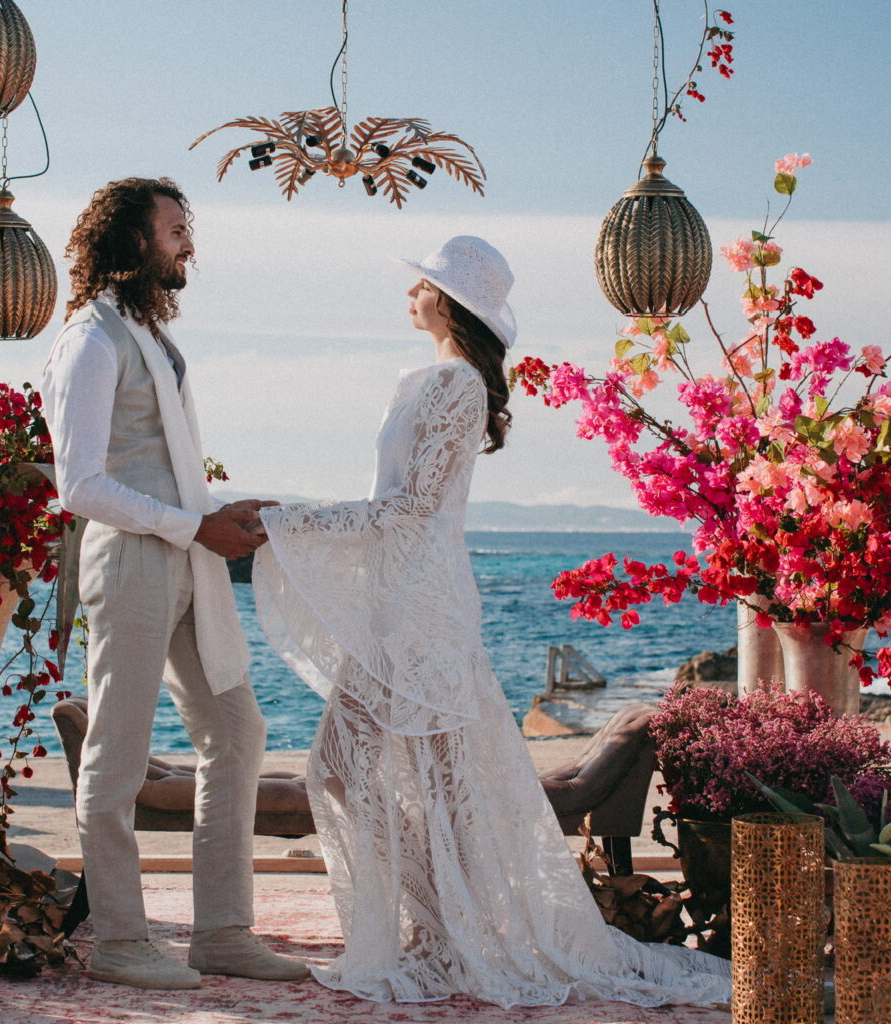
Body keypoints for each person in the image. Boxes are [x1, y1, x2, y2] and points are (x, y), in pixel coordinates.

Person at [252, 236, 731, 1008]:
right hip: (400, 604)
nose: (410, 293)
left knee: (418, 782)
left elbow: (409, 509)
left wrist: (284, 521)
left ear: (446, 300)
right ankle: (452, 923)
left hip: (420, 611)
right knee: (367, 774)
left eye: (422, 284)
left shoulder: (456, 383)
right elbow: (401, 508)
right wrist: (290, 523)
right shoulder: (434, 379)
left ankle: (460, 929)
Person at [42, 177, 308, 990]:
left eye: (187, 227)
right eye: (174, 229)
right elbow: (80, 485)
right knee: (116, 759)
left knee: (237, 734)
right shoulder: (90, 341)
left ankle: (222, 932)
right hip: (131, 563)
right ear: (130, 242)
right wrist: (196, 525)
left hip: (186, 556)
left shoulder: (150, 337)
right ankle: (122, 940)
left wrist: (212, 514)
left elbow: (158, 468)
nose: (188, 242)